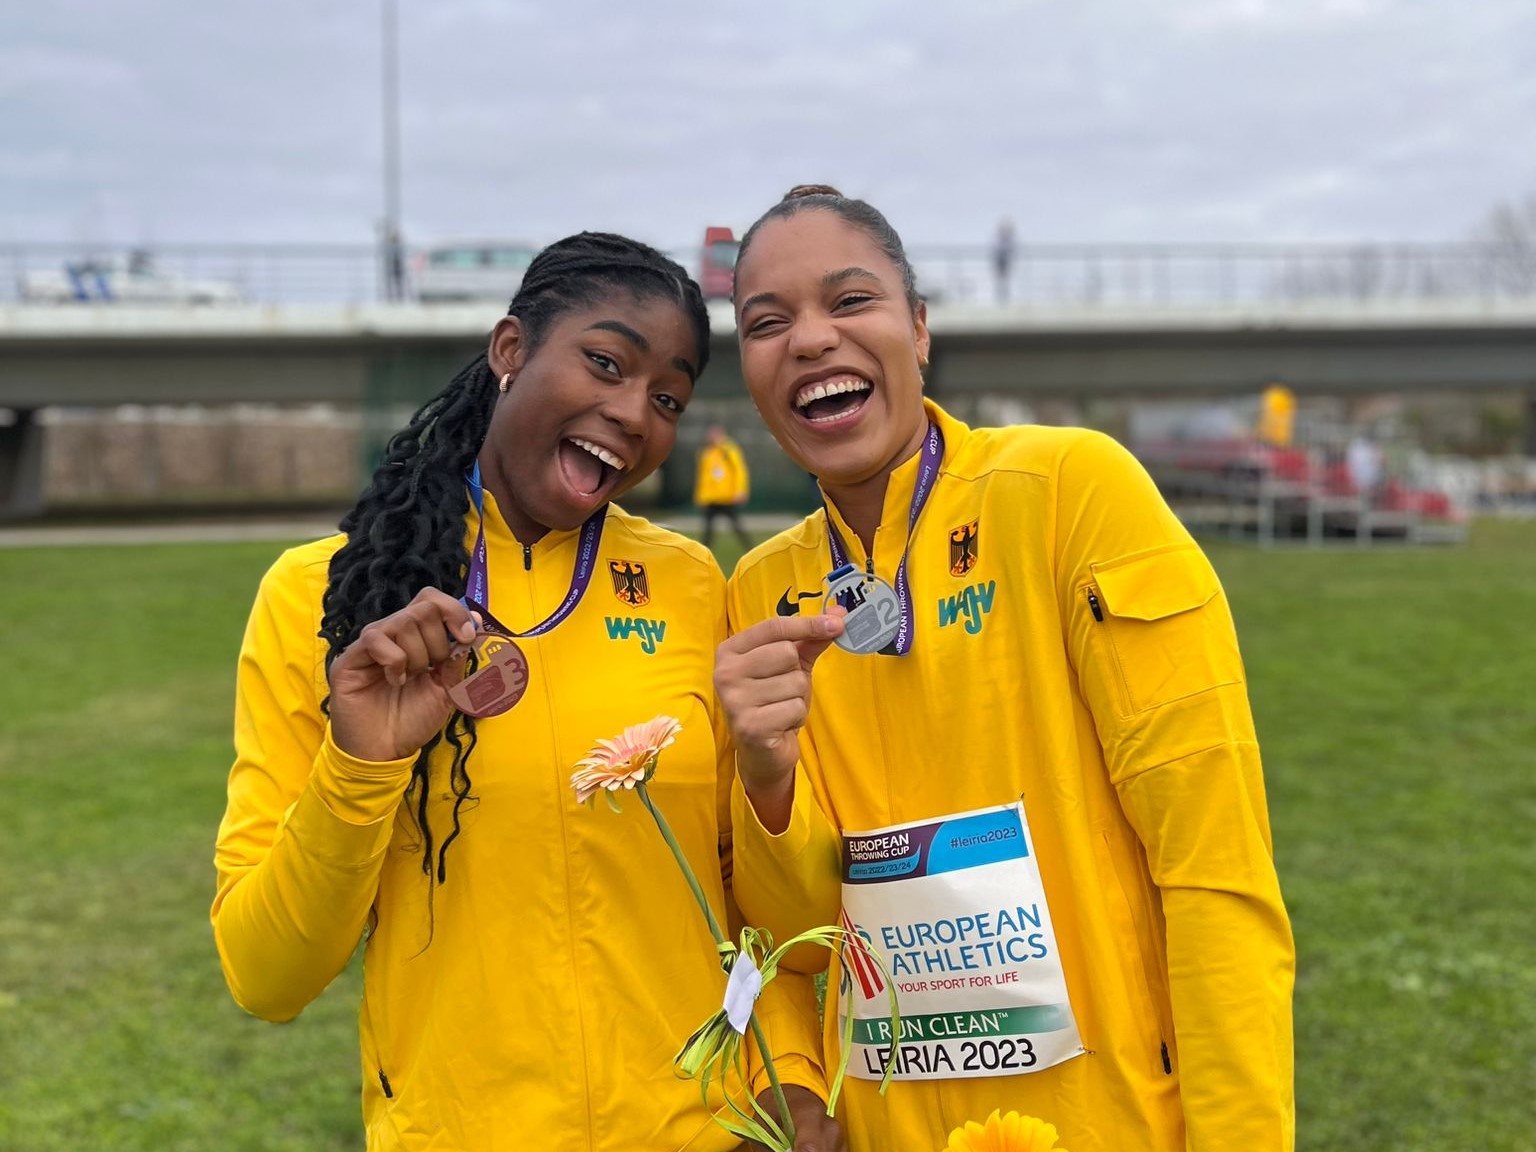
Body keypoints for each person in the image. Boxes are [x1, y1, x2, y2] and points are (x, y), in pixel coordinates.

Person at [211, 232, 838, 1151]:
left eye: (666, 397)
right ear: (511, 350)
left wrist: (790, 1077)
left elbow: (742, 900)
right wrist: (359, 766)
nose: (632, 413)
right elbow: (265, 976)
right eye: (605, 363)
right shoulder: (323, 599)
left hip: (703, 1133)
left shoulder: (691, 584)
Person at [714, 187, 1295, 1151]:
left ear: (920, 328)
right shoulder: (759, 592)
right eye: (766, 324)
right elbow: (795, 931)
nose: (809, 339)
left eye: (850, 300)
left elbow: (1214, 868)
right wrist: (766, 776)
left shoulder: (1069, 493)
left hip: (1111, 1124)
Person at [695, 424, 753, 550]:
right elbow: (704, 477)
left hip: (727, 497)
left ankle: (750, 549)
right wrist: (700, 496)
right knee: (708, 530)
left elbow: (740, 470)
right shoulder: (706, 453)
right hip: (711, 498)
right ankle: (704, 552)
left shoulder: (729, 449)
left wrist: (740, 491)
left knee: (737, 527)